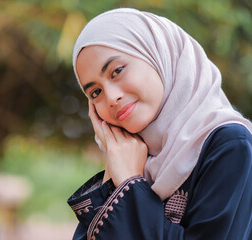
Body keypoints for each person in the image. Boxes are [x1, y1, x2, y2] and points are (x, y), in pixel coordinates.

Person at [67, 8, 252, 240]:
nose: (111, 97)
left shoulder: (229, 145)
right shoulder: (134, 156)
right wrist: (113, 178)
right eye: (95, 92)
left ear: (158, 55)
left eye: (117, 71)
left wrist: (129, 184)